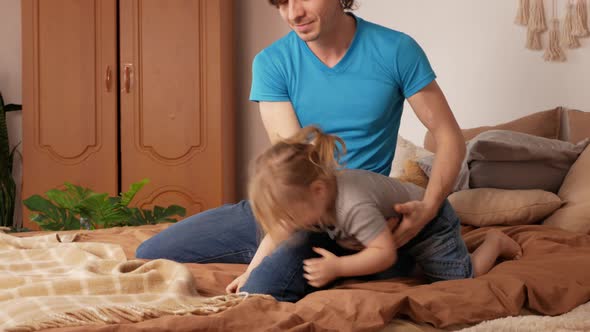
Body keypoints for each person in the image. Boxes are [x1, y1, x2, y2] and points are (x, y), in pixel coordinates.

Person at [136, 0, 468, 300]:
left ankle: (374, 264)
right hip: (296, 202)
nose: (293, 13)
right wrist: (267, 245)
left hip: (344, 213)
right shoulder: (271, 63)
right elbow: (292, 165)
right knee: (150, 252)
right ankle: (268, 248)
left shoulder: (396, 50)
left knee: (260, 292)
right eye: (281, 3)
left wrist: (429, 206)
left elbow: (449, 136)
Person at [224, 126, 521, 300]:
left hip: (429, 224)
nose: (288, 222)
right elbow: (278, 232)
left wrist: (338, 269)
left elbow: (384, 254)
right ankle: (433, 259)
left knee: (458, 281)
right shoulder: (316, 195)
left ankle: (494, 243)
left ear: (317, 190)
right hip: (387, 230)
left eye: (290, 214)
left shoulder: (352, 205)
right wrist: (251, 272)